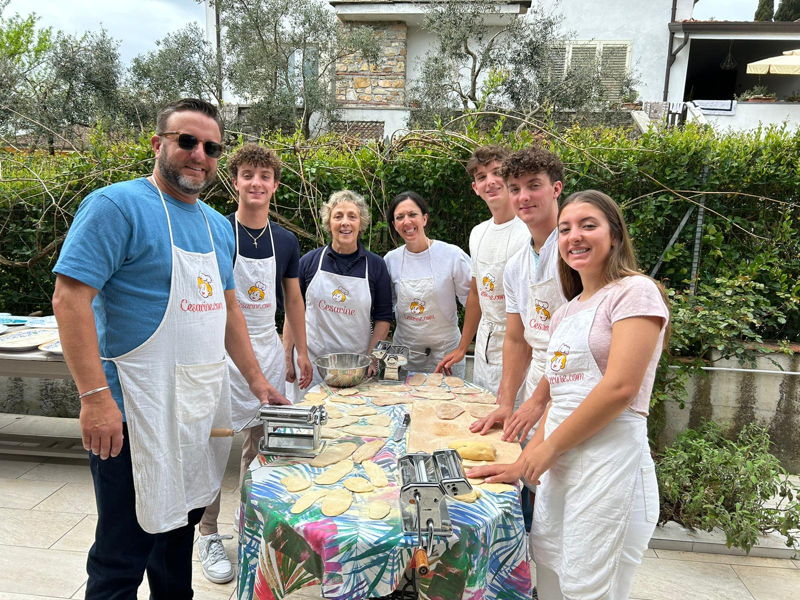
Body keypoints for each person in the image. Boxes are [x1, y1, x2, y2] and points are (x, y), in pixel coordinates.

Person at [51, 98, 288, 599]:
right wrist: (95, 397)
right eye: (187, 141)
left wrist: (258, 380)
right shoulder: (117, 206)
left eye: (211, 146)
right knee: (122, 550)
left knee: (176, 544)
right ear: (158, 143)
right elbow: (70, 297)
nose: (199, 154)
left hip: (195, 412)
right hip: (132, 413)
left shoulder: (216, 226)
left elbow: (228, 310)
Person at [470, 190, 670, 600]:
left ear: (614, 236)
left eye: (588, 225)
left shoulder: (635, 292)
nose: (574, 236)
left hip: (609, 468)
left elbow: (619, 388)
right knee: (553, 577)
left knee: (593, 588)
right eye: (566, 229)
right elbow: (560, 400)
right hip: (562, 472)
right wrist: (525, 462)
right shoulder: (567, 310)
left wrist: (545, 452)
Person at [196, 143, 312, 584]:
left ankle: (251, 525)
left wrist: (298, 348)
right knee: (216, 442)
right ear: (236, 181)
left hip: (266, 344)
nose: (256, 183)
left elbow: (293, 299)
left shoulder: (286, 240)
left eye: (265, 176)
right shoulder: (217, 231)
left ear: (275, 185)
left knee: (261, 446)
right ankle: (207, 532)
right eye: (248, 175)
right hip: (221, 351)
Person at [471, 146, 567, 437]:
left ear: (556, 189)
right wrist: (507, 402)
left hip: (572, 382)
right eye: (516, 188)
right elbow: (515, 338)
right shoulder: (516, 266)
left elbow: (579, 347)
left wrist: (538, 400)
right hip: (537, 372)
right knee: (529, 470)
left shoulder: (574, 254)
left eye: (534, 186)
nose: (523, 197)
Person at [435, 146, 529, 396]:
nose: (491, 182)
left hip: (523, 349)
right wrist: (462, 347)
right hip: (485, 348)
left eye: (497, 173)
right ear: (475, 188)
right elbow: (477, 293)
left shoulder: (529, 231)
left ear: (511, 177)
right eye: (481, 177)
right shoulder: (478, 233)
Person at [283, 190, 393, 394]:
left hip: (355, 368)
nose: (345, 222)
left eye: (352, 216)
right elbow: (293, 310)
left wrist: (371, 358)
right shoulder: (309, 262)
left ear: (361, 224)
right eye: (338, 216)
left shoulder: (376, 266)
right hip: (311, 366)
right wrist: (288, 355)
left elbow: (383, 318)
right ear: (329, 223)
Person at [383, 191, 471, 376]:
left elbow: (474, 303)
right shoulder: (390, 260)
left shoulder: (452, 255)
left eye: (412, 214)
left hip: (446, 356)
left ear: (424, 219)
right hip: (404, 356)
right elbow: (384, 309)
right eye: (400, 217)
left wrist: (462, 347)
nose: (407, 221)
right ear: (394, 225)